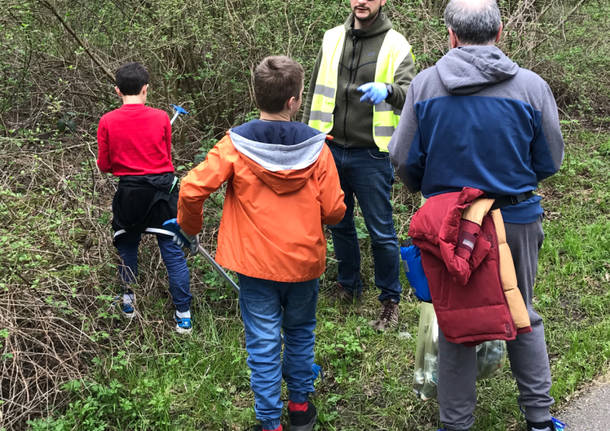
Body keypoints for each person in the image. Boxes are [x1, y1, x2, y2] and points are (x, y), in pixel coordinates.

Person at [388, 1, 565, 430]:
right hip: (515, 218)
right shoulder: (530, 87)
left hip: (450, 225)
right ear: (500, 32)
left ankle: (455, 424)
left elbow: (403, 158)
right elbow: (550, 158)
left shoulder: (426, 87)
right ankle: (540, 420)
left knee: (456, 319)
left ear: (451, 35)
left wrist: (434, 192)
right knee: (521, 310)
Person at [166, 56, 346, 431]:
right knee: (299, 332)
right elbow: (334, 212)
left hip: (255, 265)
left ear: (255, 95)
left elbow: (192, 188)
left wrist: (190, 227)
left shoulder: (235, 145)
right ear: (295, 100)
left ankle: (270, 424)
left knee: (263, 342)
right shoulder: (318, 150)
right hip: (303, 263)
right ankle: (299, 409)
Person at [302, 0, 416, 331]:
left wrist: (389, 91)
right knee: (339, 221)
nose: (361, 2)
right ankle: (349, 284)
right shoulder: (331, 37)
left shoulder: (396, 44)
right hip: (331, 148)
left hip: (371, 153)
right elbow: (313, 93)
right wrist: (310, 139)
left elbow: (412, 94)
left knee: (381, 231)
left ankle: (390, 301)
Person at [96, 62, 193, 334]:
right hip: (163, 193)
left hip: (129, 194)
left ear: (117, 91)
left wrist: (123, 166)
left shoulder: (107, 121)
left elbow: (104, 165)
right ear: (146, 88)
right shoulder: (162, 117)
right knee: (172, 253)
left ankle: (128, 303)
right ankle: (183, 317)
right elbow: (166, 156)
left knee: (127, 247)